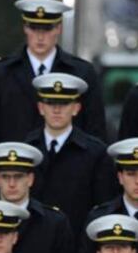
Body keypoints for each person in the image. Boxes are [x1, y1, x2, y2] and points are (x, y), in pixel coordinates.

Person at [0, 0, 105, 147]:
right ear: (25, 28)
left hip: (67, 165)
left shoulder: (81, 73)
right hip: (15, 164)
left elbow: (95, 130)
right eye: (34, 28)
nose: (40, 37)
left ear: (59, 28)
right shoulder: (1, 73)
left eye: (47, 29)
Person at [26, 73, 116, 235]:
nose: (57, 110)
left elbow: (101, 208)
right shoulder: (26, 150)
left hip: (78, 241)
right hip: (36, 244)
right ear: (40, 108)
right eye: (50, 103)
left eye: (64, 103)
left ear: (76, 108)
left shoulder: (96, 153)